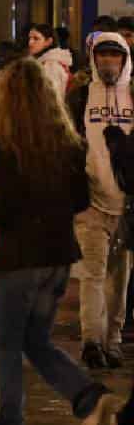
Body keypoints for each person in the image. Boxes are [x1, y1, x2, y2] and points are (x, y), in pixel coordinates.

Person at [0, 57, 123, 425]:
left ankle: (9, 417)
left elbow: (5, 207)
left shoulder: (8, 148)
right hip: (57, 256)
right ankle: (89, 397)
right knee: (36, 341)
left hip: (20, 258)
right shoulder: (68, 143)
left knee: (7, 343)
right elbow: (79, 199)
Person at [66, 32, 134, 370]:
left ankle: (113, 340)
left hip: (128, 206)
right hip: (91, 203)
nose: (108, 61)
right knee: (92, 274)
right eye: (102, 55)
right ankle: (92, 340)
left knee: (119, 278)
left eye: (114, 55)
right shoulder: (80, 97)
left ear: (124, 59)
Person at [30, 23, 73, 96]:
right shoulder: (50, 61)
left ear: (48, 41)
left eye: (36, 38)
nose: (30, 42)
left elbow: (51, 97)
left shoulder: (51, 65)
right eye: (30, 38)